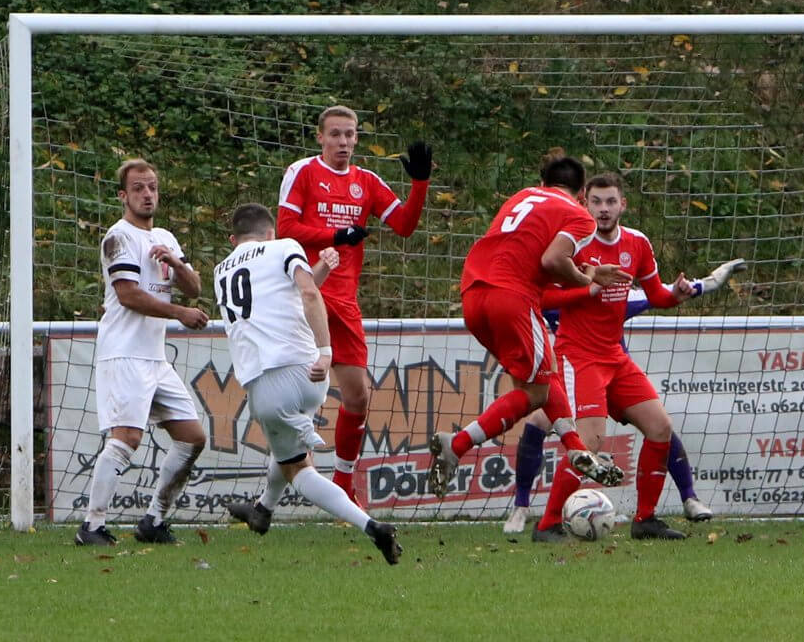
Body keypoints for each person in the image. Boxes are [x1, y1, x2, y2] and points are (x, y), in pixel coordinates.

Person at [524, 172, 746, 542]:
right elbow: (542, 298)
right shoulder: (572, 245)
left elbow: (656, 295)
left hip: (614, 356)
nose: (604, 209)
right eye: (596, 202)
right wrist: (588, 288)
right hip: (579, 357)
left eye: (611, 201)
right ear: (584, 204)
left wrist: (676, 294)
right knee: (590, 445)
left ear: (623, 205)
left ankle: (646, 520)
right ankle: (546, 525)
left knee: (660, 428)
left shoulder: (637, 243)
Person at [427, 157, 631, 499]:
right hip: (513, 297)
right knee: (537, 390)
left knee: (541, 378)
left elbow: (532, 249)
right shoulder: (580, 215)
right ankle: (457, 444)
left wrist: (588, 271)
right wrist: (585, 281)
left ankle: (576, 448)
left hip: (474, 294)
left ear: (544, 181)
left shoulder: (522, 197)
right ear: (583, 193)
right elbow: (552, 260)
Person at [503, 259, 747, 534]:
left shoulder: (613, 292)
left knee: (657, 425)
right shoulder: (554, 295)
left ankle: (688, 497)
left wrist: (713, 280)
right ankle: (522, 508)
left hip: (615, 371)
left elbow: (667, 292)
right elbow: (519, 300)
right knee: (540, 422)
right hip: (577, 371)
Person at [217, 204, 402, 565]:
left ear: (233, 239)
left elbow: (302, 296)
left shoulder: (222, 269)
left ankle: (373, 527)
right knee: (287, 451)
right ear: (270, 232)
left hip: (268, 380)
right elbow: (303, 293)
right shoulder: (285, 246)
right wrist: (324, 351)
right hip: (308, 374)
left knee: (299, 470)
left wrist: (326, 350)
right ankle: (262, 512)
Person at [277, 105, 431, 506]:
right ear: (320, 137)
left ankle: (343, 481)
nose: (343, 142)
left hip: (343, 303)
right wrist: (336, 233)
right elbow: (285, 229)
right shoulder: (303, 172)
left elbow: (404, 226)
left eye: (349, 135)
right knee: (295, 395)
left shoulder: (367, 181)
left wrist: (420, 183)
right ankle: (280, 489)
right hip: (306, 291)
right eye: (335, 134)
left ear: (357, 138)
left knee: (358, 396)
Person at [75, 158, 209, 546]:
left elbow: (195, 288)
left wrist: (174, 263)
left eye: (152, 187)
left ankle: (153, 520)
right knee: (126, 439)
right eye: (138, 188)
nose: (147, 194)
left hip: (154, 358)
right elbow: (128, 294)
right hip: (124, 353)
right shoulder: (118, 237)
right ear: (123, 195)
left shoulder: (164, 237)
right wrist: (178, 313)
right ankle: (93, 525)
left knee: (192, 438)